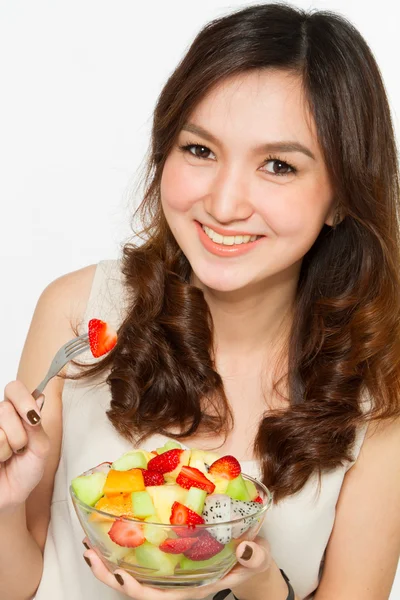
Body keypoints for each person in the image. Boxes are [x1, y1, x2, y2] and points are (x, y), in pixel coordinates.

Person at [1, 3, 400, 599]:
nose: (224, 202)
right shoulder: (80, 313)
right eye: (201, 151)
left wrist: (260, 586)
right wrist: (5, 501)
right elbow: (19, 583)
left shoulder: (382, 388)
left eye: (277, 165)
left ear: (342, 196)